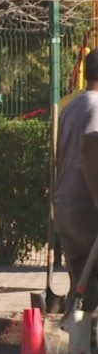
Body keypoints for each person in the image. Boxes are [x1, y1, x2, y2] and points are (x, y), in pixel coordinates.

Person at [54, 49, 98, 314]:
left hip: (66, 203)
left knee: (82, 283)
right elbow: (90, 148)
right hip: (87, 207)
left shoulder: (72, 107)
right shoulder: (97, 106)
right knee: (89, 282)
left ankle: (75, 346)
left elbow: (59, 155)